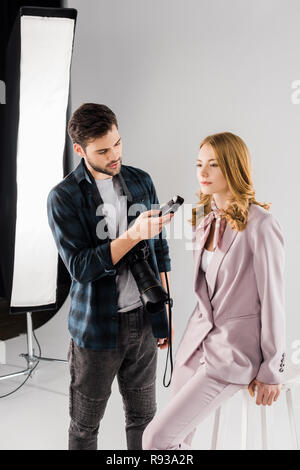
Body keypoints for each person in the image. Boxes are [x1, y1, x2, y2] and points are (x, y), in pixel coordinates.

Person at [142, 132, 286, 450]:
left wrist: (273, 368)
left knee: (154, 438)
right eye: (199, 164)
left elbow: (274, 301)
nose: (203, 173)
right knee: (175, 442)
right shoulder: (204, 222)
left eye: (214, 165)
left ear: (233, 168)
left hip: (234, 352)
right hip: (193, 347)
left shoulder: (262, 225)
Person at [47, 103, 174, 450]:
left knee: (144, 422)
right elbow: (82, 267)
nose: (115, 154)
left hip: (145, 322)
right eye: (103, 150)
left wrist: (163, 315)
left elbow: (160, 250)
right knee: (85, 428)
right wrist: (133, 234)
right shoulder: (63, 198)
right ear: (80, 149)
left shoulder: (140, 180)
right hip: (96, 331)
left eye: (117, 143)